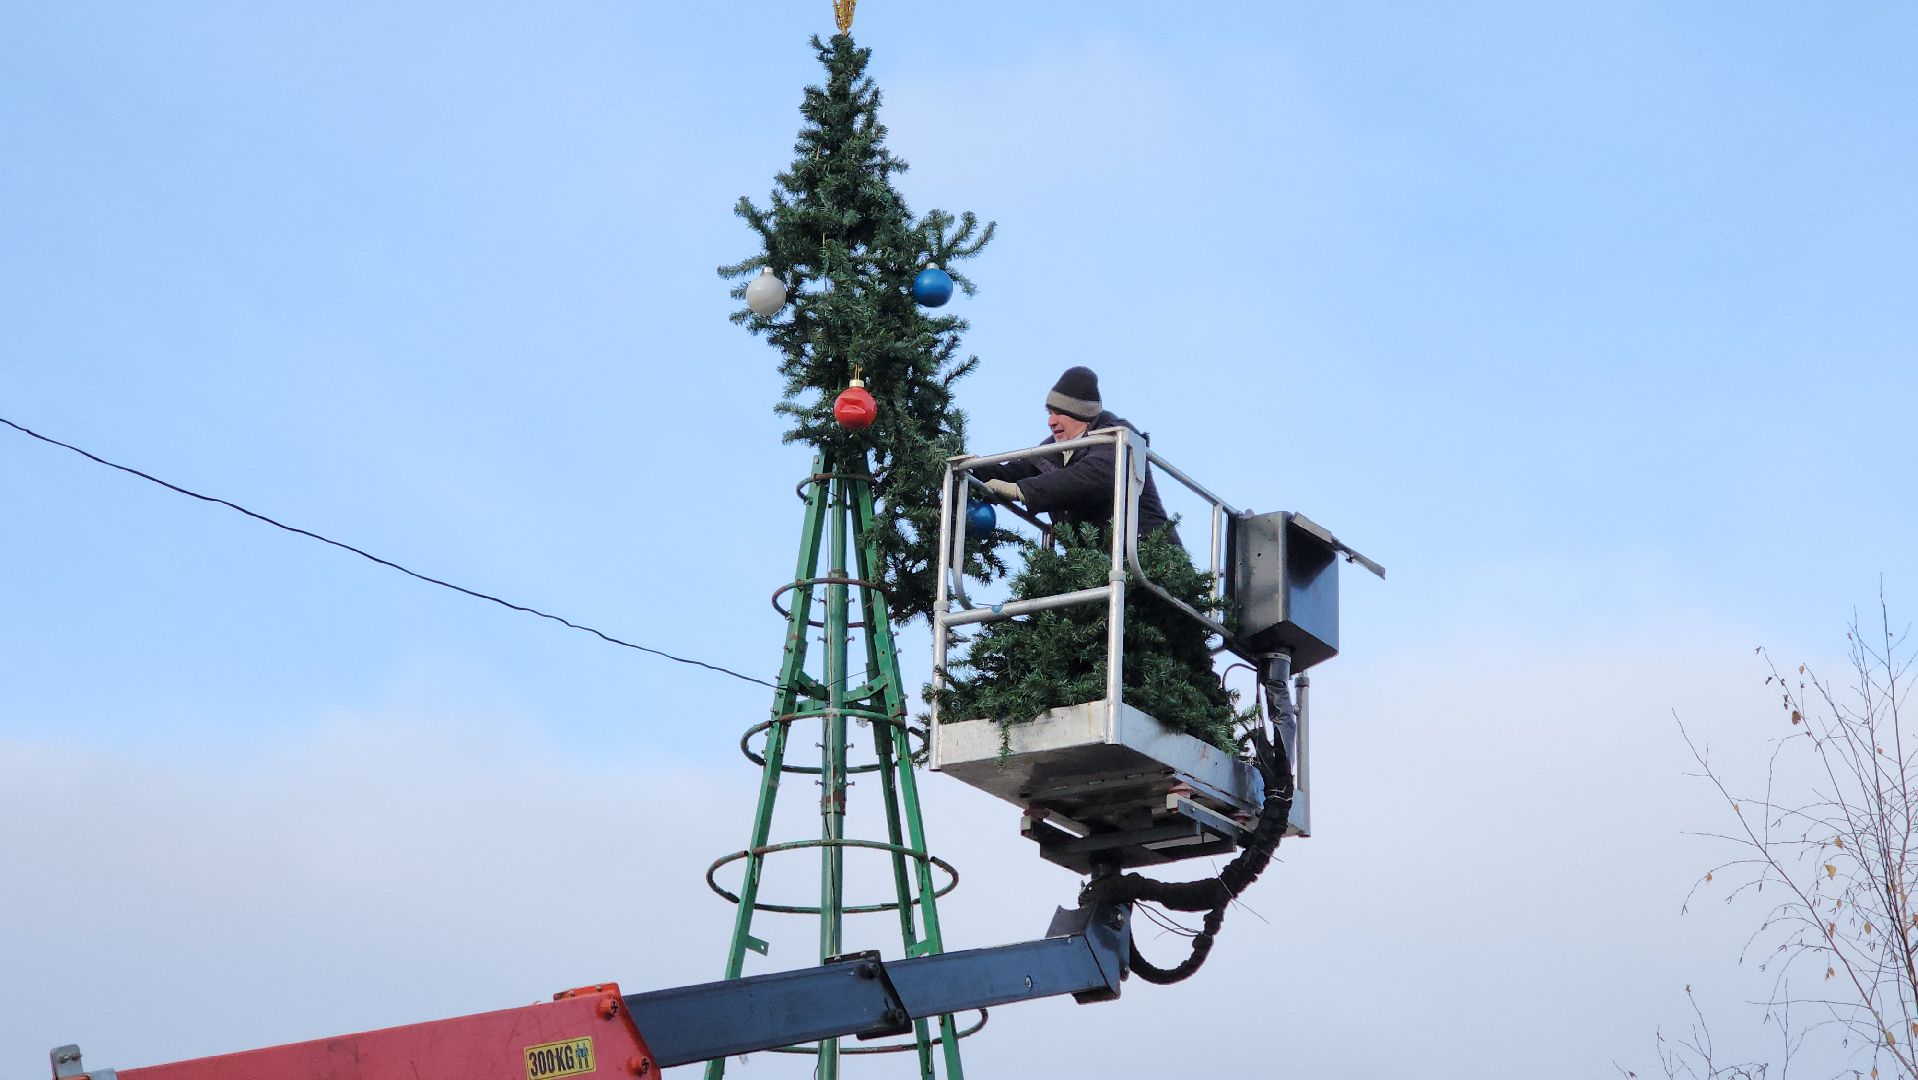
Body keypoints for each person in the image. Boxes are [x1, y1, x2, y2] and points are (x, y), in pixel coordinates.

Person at [973, 366, 1181, 548]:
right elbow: (1011, 473)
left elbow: (1092, 477)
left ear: (1081, 414)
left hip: (1146, 554)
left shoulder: (1116, 437)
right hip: (1093, 565)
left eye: (1059, 413)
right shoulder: (1051, 452)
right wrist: (971, 469)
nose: (1051, 422)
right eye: (1049, 413)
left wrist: (1022, 491)